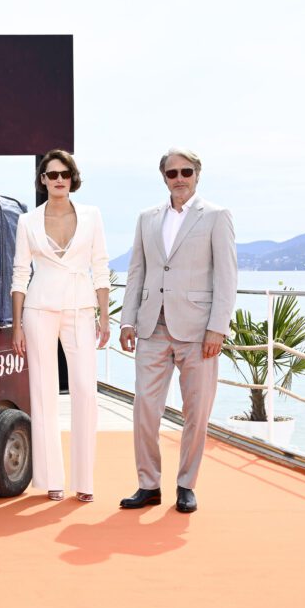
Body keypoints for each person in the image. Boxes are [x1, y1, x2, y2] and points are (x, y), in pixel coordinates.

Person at [118, 148, 237, 513]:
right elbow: (137, 271)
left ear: (197, 174)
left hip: (199, 332)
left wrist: (217, 328)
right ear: (164, 178)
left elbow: (227, 276)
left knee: (196, 413)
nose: (180, 178)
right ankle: (148, 485)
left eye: (186, 171)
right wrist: (127, 319)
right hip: (151, 327)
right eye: (173, 173)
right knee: (145, 409)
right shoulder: (146, 218)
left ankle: (186, 485)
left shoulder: (216, 216)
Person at [11, 150, 110, 502]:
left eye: (64, 174)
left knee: (85, 390)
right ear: (43, 180)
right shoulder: (27, 221)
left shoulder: (92, 215)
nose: (58, 180)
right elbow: (20, 273)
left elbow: (100, 266)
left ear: (72, 178)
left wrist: (104, 315)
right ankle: (51, 477)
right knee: (43, 391)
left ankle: (85, 481)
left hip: (81, 307)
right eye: (52, 174)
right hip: (38, 308)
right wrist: (16, 325)